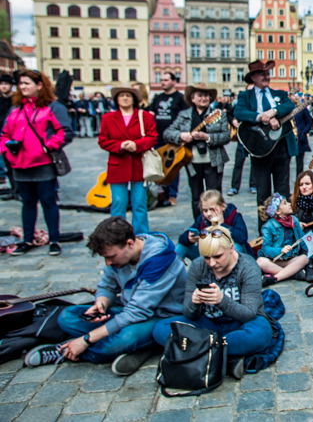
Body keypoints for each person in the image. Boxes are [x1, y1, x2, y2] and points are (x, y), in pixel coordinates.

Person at [24, 217, 186, 376]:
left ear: (130, 244)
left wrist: (86, 340)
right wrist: (102, 303)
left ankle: (66, 351)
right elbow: (107, 286)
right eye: (105, 258)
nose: (107, 263)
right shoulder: (120, 256)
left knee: (125, 338)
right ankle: (139, 348)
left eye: (110, 257)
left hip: (161, 317)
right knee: (67, 316)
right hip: (129, 311)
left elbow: (137, 312)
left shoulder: (160, 259)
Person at [152, 223, 271, 379]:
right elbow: (188, 313)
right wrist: (194, 302)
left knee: (262, 333)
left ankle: (197, 351)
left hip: (239, 324)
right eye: (207, 257)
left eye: (217, 257)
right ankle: (223, 354)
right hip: (207, 325)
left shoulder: (247, 266)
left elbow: (249, 313)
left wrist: (222, 300)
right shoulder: (198, 266)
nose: (212, 263)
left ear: (231, 248)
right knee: (160, 328)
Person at [0, 69, 67, 256]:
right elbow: (4, 134)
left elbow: (64, 132)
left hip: (42, 163)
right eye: (21, 84)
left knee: (48, 201)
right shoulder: (15, 110)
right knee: (27, 203)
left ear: (39, 85)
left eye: (26, 83)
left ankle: (54, 240)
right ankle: (27, 239)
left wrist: (49, 146)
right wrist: (7, 147)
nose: (22, 87)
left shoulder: (51, 108)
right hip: (20, 164)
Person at [233, 60, 297, 211]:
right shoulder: (245, 96)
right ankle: (265, 228)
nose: (267, 77)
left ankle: (284, 227)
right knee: (263, 192)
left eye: (268, 74)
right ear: (253, 78)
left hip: (281, 146)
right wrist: (260, 116)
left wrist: (273, 112)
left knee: (283, 191)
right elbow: (239, 112)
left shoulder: (279, 94)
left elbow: (289, 105)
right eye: (263, 75)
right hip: (259, 148)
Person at [164, 83, 231, 220]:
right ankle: (199, 226)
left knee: (214, 196)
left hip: (214, 161)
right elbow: (167, 133)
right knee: (196, 196)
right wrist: (181, 136)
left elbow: (226, 136)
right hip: (192, 161)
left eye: (206, 95)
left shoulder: (218, 114)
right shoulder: (184, 115)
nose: (203, 98)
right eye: (200, 95)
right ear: (192, 98)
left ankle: (217, 226)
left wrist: (208, 137)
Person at [97, 86, 158, 234]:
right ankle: (117, 234)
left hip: (138, 164)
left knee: (139, 203)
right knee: (118, 202)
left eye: (128, 96)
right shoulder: (108, 118)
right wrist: (119, 145)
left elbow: (152, 137)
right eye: (121, 96)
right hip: (118, 165)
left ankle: (141, 234)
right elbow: (102, 140)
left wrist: (136, 145)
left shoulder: (145, 116)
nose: (125, 98)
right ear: (116, 99)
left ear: (134, 99)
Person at [148, 72, 189, 206]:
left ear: (173, 81)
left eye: (166, 80)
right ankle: (162, 193)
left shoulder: (180, 98)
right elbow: (151, 114)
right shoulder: (158, 98)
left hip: (173, 139)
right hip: (158, 138)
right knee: (159, 168)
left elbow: (186, 117)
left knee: (172, 167)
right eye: (161, 80)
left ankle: (172, 194)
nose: (163, 82)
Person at [177, 189, 248, 260]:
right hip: (208, 255)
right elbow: (181, 238)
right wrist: (189, 239)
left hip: (227, 256)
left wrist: (222, 225)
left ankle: (232, 270)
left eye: (212, 210)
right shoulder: (203, 219)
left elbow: (242, 237)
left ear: (223, 206)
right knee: (181, 247)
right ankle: (171, 269)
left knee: (236, 246)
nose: (208, 214)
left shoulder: (234, 216)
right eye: (205, 210)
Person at [257, 193, 309, 285]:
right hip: (275, 261)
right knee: (260, 262)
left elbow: (302, 239)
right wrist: (280, 250)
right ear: (277, 211)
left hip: (290, 259)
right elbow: (265, 249)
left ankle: (276, 277)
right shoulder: (268, 226)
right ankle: (293, 274)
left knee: (304, 258)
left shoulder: (294, 220)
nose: (289, 204)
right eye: (285, 203)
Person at [229, 83, 257, 196]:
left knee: (255, 164)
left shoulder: (258, 104)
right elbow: (230, 114)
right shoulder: (241, 104)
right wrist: (233, 121)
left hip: (255, 138)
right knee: (238, 163)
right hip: (242, 138)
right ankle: (234, 186)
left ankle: (253, 185)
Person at [0, 74, 15, 190]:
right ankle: (14, 188)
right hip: (1, 136)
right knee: (6, 164)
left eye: (6, 84)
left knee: (13, 164)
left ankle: (18, 189)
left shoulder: (15, 101)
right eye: (1, 84)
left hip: (12, 136)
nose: (3, 87)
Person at [294, 95, 313, 176]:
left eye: (297, 95)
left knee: (299, 162)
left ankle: (299, 179)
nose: (295, 97)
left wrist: (303, 132)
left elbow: (309, 121)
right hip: (290, 137)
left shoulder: (302, 108)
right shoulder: (288, 108)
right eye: (293, 95)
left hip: (300, 137)